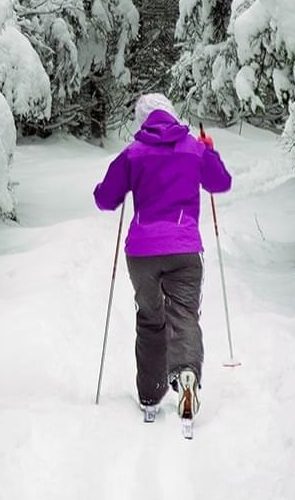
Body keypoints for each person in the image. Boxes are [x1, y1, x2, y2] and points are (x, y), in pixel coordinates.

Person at [93, 93, 232, 421]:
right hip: (184, 249)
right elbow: (220, 182)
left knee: (151, 319)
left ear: (143, 121)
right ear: (171, 115)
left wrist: (121, 185)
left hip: (142, 253)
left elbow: (105, 199)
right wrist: (209, 151)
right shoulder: (193, 148)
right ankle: (186, 375)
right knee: (184, 314)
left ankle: (151, 395)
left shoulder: (133, 153)